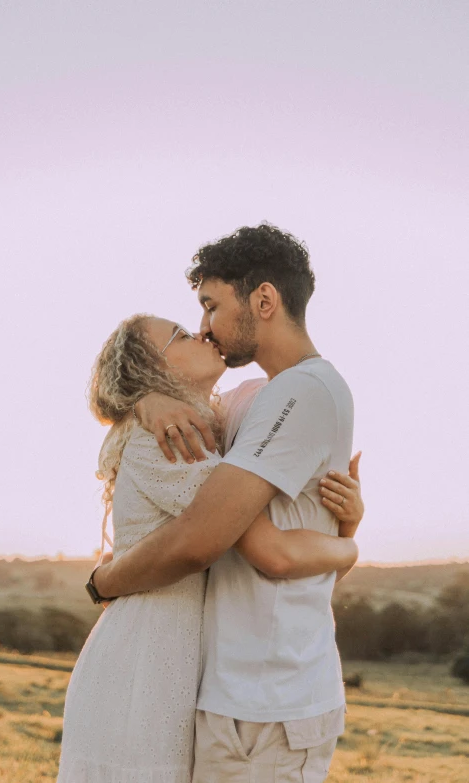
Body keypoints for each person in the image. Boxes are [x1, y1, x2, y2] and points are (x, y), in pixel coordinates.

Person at [92, 224, 362, 782]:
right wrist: (148, 397)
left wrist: (350, 545)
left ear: (264, 300)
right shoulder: (251, 398)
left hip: (270, 701)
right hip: (233, 694)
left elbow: (215, 542)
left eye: (211, 306)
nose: (204, 327)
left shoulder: (303, 391)